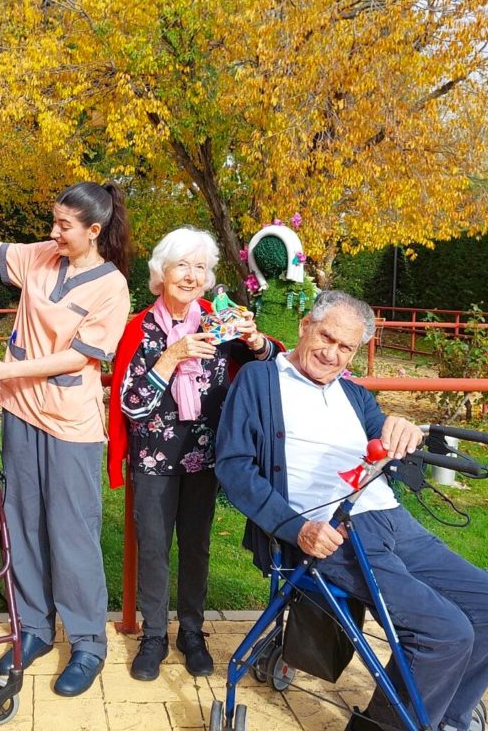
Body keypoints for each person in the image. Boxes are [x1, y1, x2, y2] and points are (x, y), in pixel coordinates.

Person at [214, 290, 488, 731]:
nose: (332, 353)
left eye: (346, 348)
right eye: (327, 337)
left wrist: (400, 428)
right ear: (305, 326)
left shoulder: (355, 395)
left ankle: (447, 718)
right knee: (446, 632)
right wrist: (296, 528)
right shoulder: (260, 381)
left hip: (393, 519)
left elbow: (384, 430)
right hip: (331, 532)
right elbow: (234, 467)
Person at [0, 179, 132, 697]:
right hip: (20, 414)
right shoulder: (41, 255)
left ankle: (85, 642)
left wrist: (2, 369)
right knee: (24, 523)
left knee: (71, 532)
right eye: (53, 220)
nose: (53, 231)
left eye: (64, 225)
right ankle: (32, 627)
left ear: (93, 230)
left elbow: (79, 357)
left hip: (69, 424)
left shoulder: (111, 286)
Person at [107, 228, 281, 682]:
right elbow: (132, 404)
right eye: (182, 265)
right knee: (154, 548)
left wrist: (256, 341)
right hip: (154, 458)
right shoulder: (140, 328)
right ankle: (153, 637)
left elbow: (272, 370)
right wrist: (172, 356)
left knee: (197, 547)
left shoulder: (220, 320)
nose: (191, 275)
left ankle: (192, 631)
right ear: (161, 273)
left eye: (200, 267)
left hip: (205, 456)